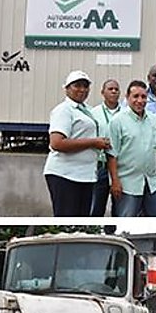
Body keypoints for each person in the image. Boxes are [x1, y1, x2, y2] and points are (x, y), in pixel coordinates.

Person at [43, 70, 111, 216]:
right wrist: (93, 142)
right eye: (77, 86)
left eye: (85, 86)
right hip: (65, 175)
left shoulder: (88, 110)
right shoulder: (63, 110)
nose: (82, 90)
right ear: (67, 88)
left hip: (85, 175)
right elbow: (57, 143)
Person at [106, 80, 156, 217]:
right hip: (128, 184)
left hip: (152, 181)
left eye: (143, 97)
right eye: (135, 96)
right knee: (126, 223)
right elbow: (112, 155)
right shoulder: (117, 122)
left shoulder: (154, 120)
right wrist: (115, 181)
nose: (140, 101)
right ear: (127, 97)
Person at [90, 79, 123, 216]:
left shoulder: (126, 113)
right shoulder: (93, 113)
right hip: (101, 166)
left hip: (120, 167)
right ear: (102, 92)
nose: (114, 91)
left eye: (116, 89)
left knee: (119, 208)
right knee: (96, 207)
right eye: (110, 89)